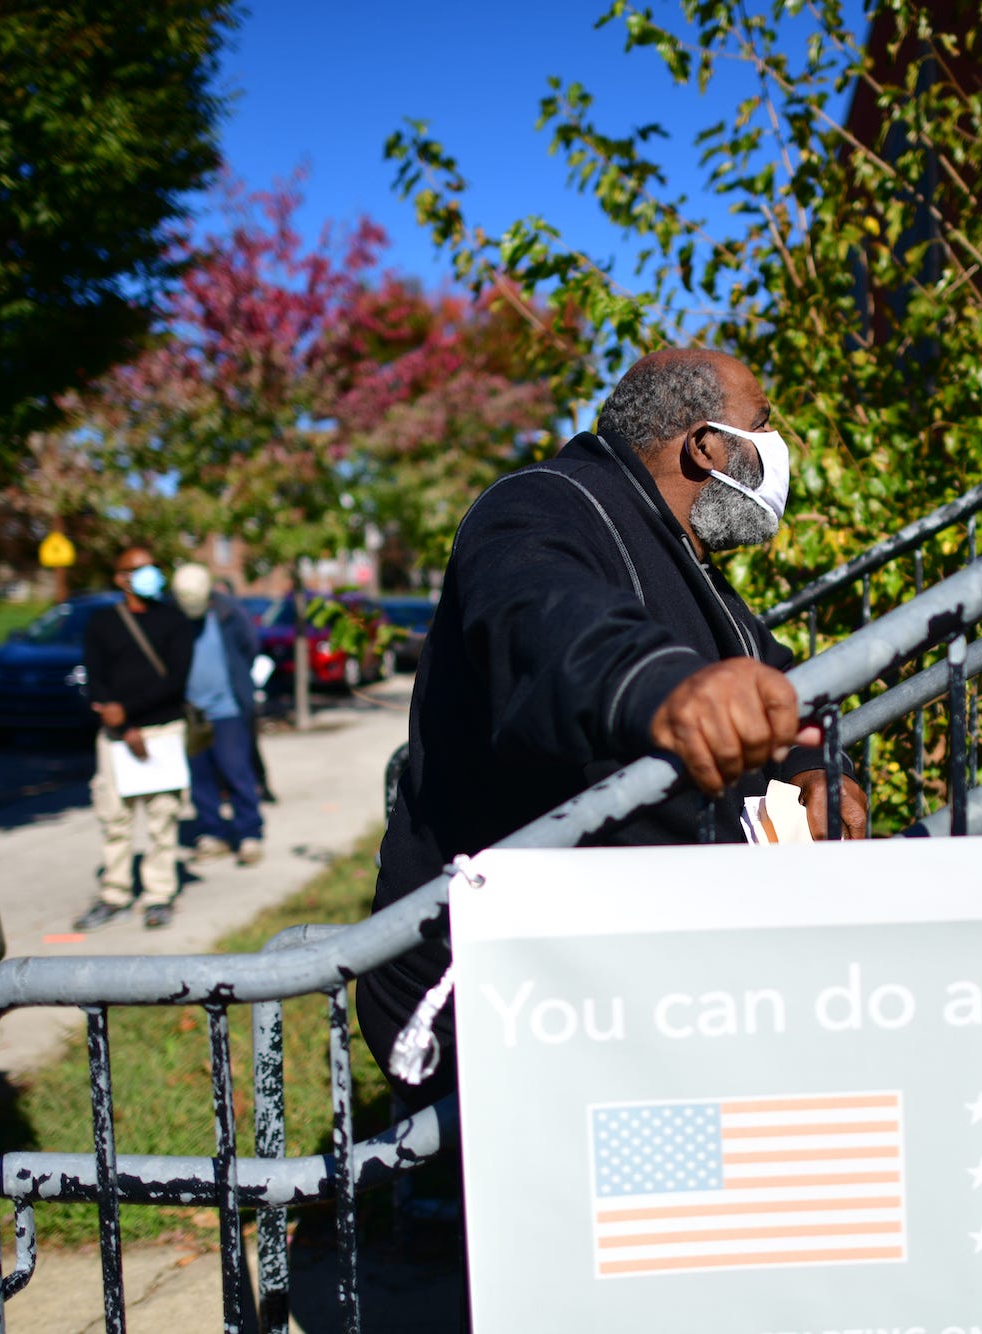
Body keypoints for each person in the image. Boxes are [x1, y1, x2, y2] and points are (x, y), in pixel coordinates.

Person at [360, 348, 869, 1111]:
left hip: (625, 976)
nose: (777, 446)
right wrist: (668, 690)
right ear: (705, 446)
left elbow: (780, 680)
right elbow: (548, 621)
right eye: (762, 425)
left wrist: (819, 769)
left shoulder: (687, 562)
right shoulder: (543, 505)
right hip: (505, 989)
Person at [74, 546, 195, 931]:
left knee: (163, 818)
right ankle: (115, 892)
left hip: (163, 732)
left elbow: (175, 681)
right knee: (115, 818)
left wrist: (131, 713)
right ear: (121, 578)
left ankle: (159, 894)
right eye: (139, 569)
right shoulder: (103, 623)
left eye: (153, 567)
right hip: (115, 737)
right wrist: (121, 725)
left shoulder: (175, 621)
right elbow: (96, 677)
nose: (150, 575)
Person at [171, 563, 267, 866]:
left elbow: (250, 647)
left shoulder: (229, 613)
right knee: (200, 776)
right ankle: (211, 833)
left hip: (228, 709)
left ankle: (249, 833)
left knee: (235, 770)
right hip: (192, 712)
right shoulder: (173, 616)